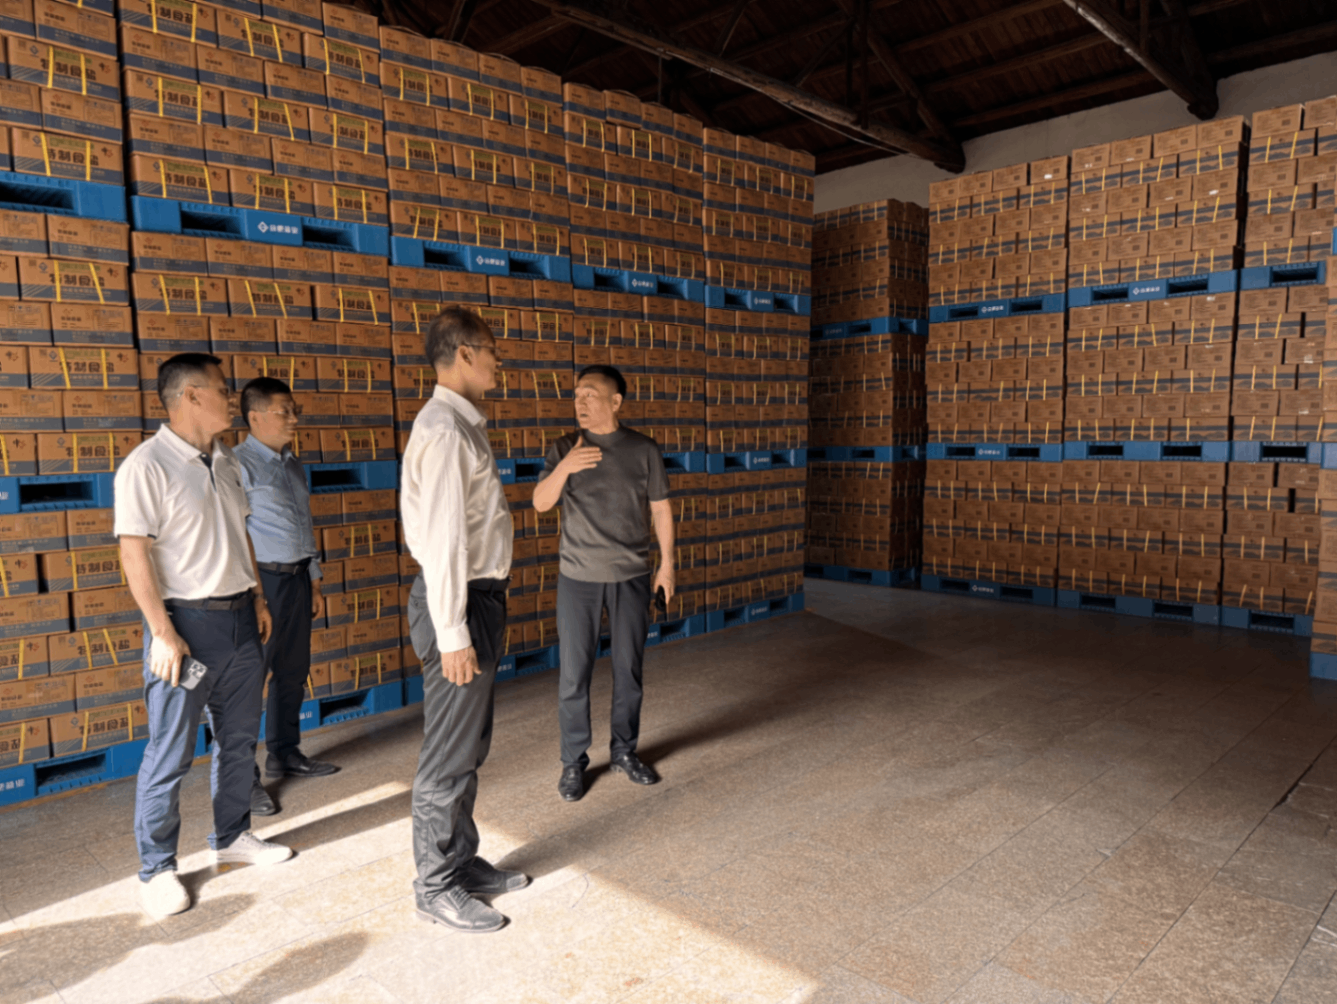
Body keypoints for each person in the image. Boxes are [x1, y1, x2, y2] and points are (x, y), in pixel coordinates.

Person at [116, 353, 291, 920]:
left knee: (238, 741)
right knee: (170, 751)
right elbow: (134, 552)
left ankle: (232, 836)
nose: (231, 399)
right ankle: (156, 869)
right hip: (188, 632)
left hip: (241, 622)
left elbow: (242, 533)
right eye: (222, 390)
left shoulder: (226, 460)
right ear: (191, 396)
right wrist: (162, 633)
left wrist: (258, 597)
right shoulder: (146, 466)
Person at [400, 306, 530, 933]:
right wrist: (453, 633)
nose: (498, 361)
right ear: (464, 354)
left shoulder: (460, 423)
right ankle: (435, 885)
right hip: (457, 604)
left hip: (475, 601)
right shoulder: (447, 430)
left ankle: (459, 860)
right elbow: (444, 540)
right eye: (491, 350)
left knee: (469, 745)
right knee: (449, 754)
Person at [532, 364, 675, 803]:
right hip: (578, 579)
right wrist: (565, 467)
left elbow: (661, 509)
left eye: (590, 394)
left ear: (615, 402)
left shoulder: (643, 450)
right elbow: (540, 503)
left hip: (631, 576)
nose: (580, 402)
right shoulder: (564, 448)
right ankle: (573, 763)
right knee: (574, 675)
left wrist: (667, 566)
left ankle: (624, 752)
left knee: (628, 669)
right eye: (577, 395)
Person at [235, 377, 336, 818]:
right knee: (249, 683)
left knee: (293, 671)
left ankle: (285, 752)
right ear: (255, 417)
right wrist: (255, 594)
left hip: (296, 580)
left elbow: (304, 525)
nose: (294, 419)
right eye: (285, 411)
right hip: (263, 585)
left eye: (296, 410)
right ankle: (243, 779)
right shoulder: (237, 466)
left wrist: (313, 579)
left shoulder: (292, 464)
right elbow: (236, 535)